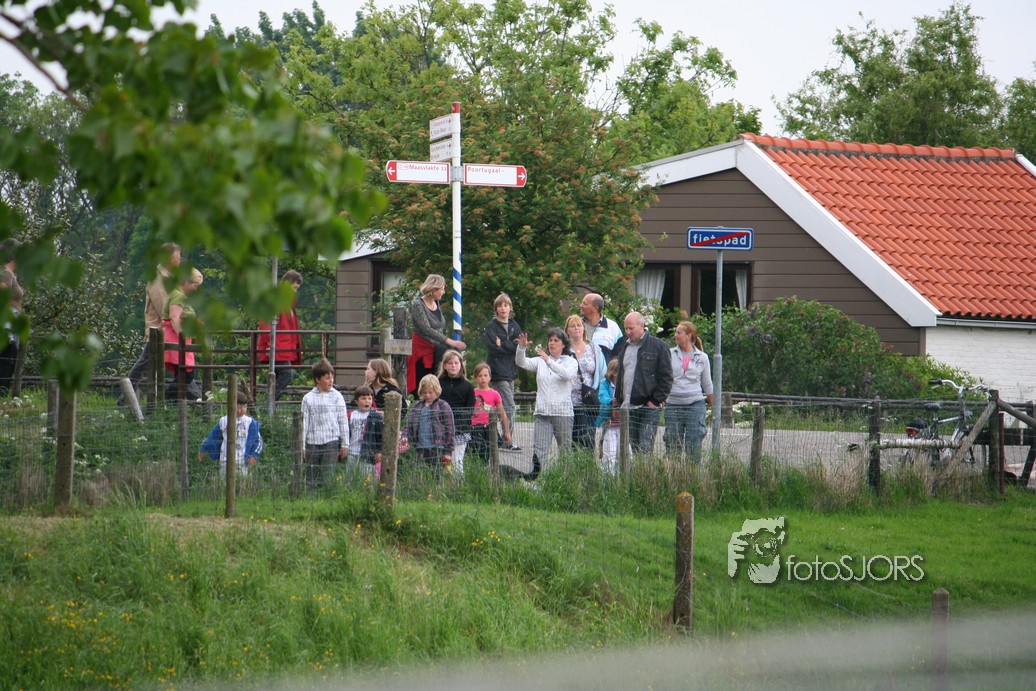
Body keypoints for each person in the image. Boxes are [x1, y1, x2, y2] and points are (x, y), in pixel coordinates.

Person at [120, 242, 179, 406]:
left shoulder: (169, 279)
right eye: (178, 256)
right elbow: (164, 308)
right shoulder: (158, 280)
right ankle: (125, 398)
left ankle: (127, 399)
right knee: (147, 363)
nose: (180, 259)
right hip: (158, 331)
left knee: (162, 365)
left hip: (165, 331)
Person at [515, 327, 577, 480]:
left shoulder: (571, 362)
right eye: (550, 340)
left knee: (565, 450)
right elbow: (521, 362)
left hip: (563, 414)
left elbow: (566, 375)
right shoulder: (540, 361)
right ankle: (536, 482)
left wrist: (549, 361)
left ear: (563, 344)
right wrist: (521, 348)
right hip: (542, 413)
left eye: (556, 340)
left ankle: (567, 482)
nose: (552, 343)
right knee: (539, 450)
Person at [613, 311, 673, 455]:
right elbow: (621, 375)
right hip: (628, 406)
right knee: (631, 449)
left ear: (641, 326)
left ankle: (644, 470)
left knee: (644, 449)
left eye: (631, 328)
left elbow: (667, 378)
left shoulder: (659, 346)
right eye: (626, 328)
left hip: (648, 406)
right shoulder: (624, 346)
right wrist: (618, 400)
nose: (628, 332)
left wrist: (655, 400)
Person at [408, 274, 466, 395]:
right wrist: (449, 341)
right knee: (424, 383)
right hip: (422, 349)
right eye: (442, 289)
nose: (443, 292)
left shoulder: (436, 303)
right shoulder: (418, 304)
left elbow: (439, 327)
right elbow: (426, 329)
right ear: (434, 289)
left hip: (437, 347)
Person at [666, 320, 714, 462]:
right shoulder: (669, 354)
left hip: (695, 404)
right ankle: (673, 472)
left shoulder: (702, 357)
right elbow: (663, 378)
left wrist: (714, 406)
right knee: (672, 442)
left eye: (679, 333)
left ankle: (692, 472)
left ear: (689, 335)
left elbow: (707, 383)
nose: (676, 335)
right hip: (673, 404)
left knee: (694, 442)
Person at [301, 357, 349, 491]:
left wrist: (345, 444)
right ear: (318, 379)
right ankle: (310, 499)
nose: (331, 380)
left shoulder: (337, 397)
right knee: (311, 475)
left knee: (328, 475)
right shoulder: (308, 398)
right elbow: (304, 423)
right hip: (312, 442)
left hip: (331, 441)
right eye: (327, 378)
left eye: (332, 377)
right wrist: (302, 446)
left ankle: (328, 497)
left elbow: (343, 421)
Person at [482, 293, 522, 451]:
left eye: (506, 305)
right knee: (509, 406)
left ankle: (500, 438)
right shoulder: (491, 326)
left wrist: (503, 344)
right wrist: (509, 345)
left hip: (511, 370)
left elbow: (519, 346)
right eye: (500, 306)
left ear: (510, 308)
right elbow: (494, 349)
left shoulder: (514, 326)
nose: (503, 308)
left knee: (502, 407)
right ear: (496, 309)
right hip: (498, 372)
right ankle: (507, 440)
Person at [257, 270, 303, 401]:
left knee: (280, 375)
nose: (295, 291)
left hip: (282, 346)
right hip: (278, 347)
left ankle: (270, 404)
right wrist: (269, 344)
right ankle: (269, 403)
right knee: (286, 374)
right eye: (294, 287)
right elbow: (266, 323)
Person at [198, 390, 263, 476]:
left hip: (242, 462)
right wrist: (203, 448)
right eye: (239, 407)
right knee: (224, 481)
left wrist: (254, 455)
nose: (242, 409)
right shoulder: (223, 421)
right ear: (231, 406)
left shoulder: (250, 422)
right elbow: (212, 437)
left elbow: (258, 440)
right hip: (225, 461)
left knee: (241, 482)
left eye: (244, 406)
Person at [162, 267, 204, 401]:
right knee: (187, 373)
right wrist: (183, 336)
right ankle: (167, 398)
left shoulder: (180, 295)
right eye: (195, 285)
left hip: (179, 339)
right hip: (176, 339)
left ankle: (173, 403)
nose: (196, 289)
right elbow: (174, 317)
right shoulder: (178, 295)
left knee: (183, 374)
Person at [565, 314, 607, 450]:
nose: (576, 328)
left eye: (579, 325)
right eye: (572, 326)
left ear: (584, 329)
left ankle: (588, 462)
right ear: (567, 331)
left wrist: (600, 394)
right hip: (568, 401)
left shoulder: (594, 349)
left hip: (589, 400)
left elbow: (603, 374)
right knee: (571, 439)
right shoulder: (563, 350)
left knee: (588, 437)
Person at [401, 374, 455, 472]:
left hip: (438, 448)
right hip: (420, 447)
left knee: (437, 473)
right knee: (421, 473)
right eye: (424, 392)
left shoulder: (443, 406)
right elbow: (409, 424)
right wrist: (405, 436)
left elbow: (450, 429)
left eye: (430, 392)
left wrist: (448, 451)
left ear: (436, 391)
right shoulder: (417, 406)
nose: (427, 395)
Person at [438, 349, 475, 474]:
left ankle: (459, 485)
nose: (453, 366)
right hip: (440, 430)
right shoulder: (438, 383)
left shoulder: (468, 386)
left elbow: (470, 410)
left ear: (461, 365)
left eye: (456, 363)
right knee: (440, 463)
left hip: (460, 430)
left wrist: (457, 424)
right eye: (450, 363)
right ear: (444, 365)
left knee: (457, 463)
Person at [469, 362, 512, 466]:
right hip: (475, 428)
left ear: (489, 377)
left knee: (488, 452)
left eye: (485, 375)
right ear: (475, 377)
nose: (483, 378)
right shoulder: (472, 393)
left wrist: (507, 432)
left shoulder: (494, 394)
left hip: (489, 427)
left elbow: (502, 413)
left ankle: (488, 469)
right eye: (480, 376)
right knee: (475, 453)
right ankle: (477, 469)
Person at [0, 238, 25, 397]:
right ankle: (1, 395)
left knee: (9, 358)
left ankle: (2, 395)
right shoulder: (6, 273)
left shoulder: (8, 273)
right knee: (7, 358)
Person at [595, 359, 627, 474]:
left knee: (625, 453)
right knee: (610, 454)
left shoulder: (625, 385)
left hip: (624, 426)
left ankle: (623, 478)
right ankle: (608, 478)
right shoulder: (605, 384)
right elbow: (603, 398)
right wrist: (612, 403)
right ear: (614, 373)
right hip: (610, 425)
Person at [347, 384, 384, 480]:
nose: (367, 401)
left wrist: (380, 451)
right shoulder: (351, 415)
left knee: (366, 478)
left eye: (369, 398)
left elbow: (381, 436)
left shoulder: (376, 416)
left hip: (368, 453)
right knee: (350, 478)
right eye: (363, 398)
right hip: (352, 451)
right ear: (357, 401)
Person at [579, 292, 624, 361]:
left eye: (585, 304)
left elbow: (619, 356)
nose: (580, 305)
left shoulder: (613, 327)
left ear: (595, 308)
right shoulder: (575, 325)